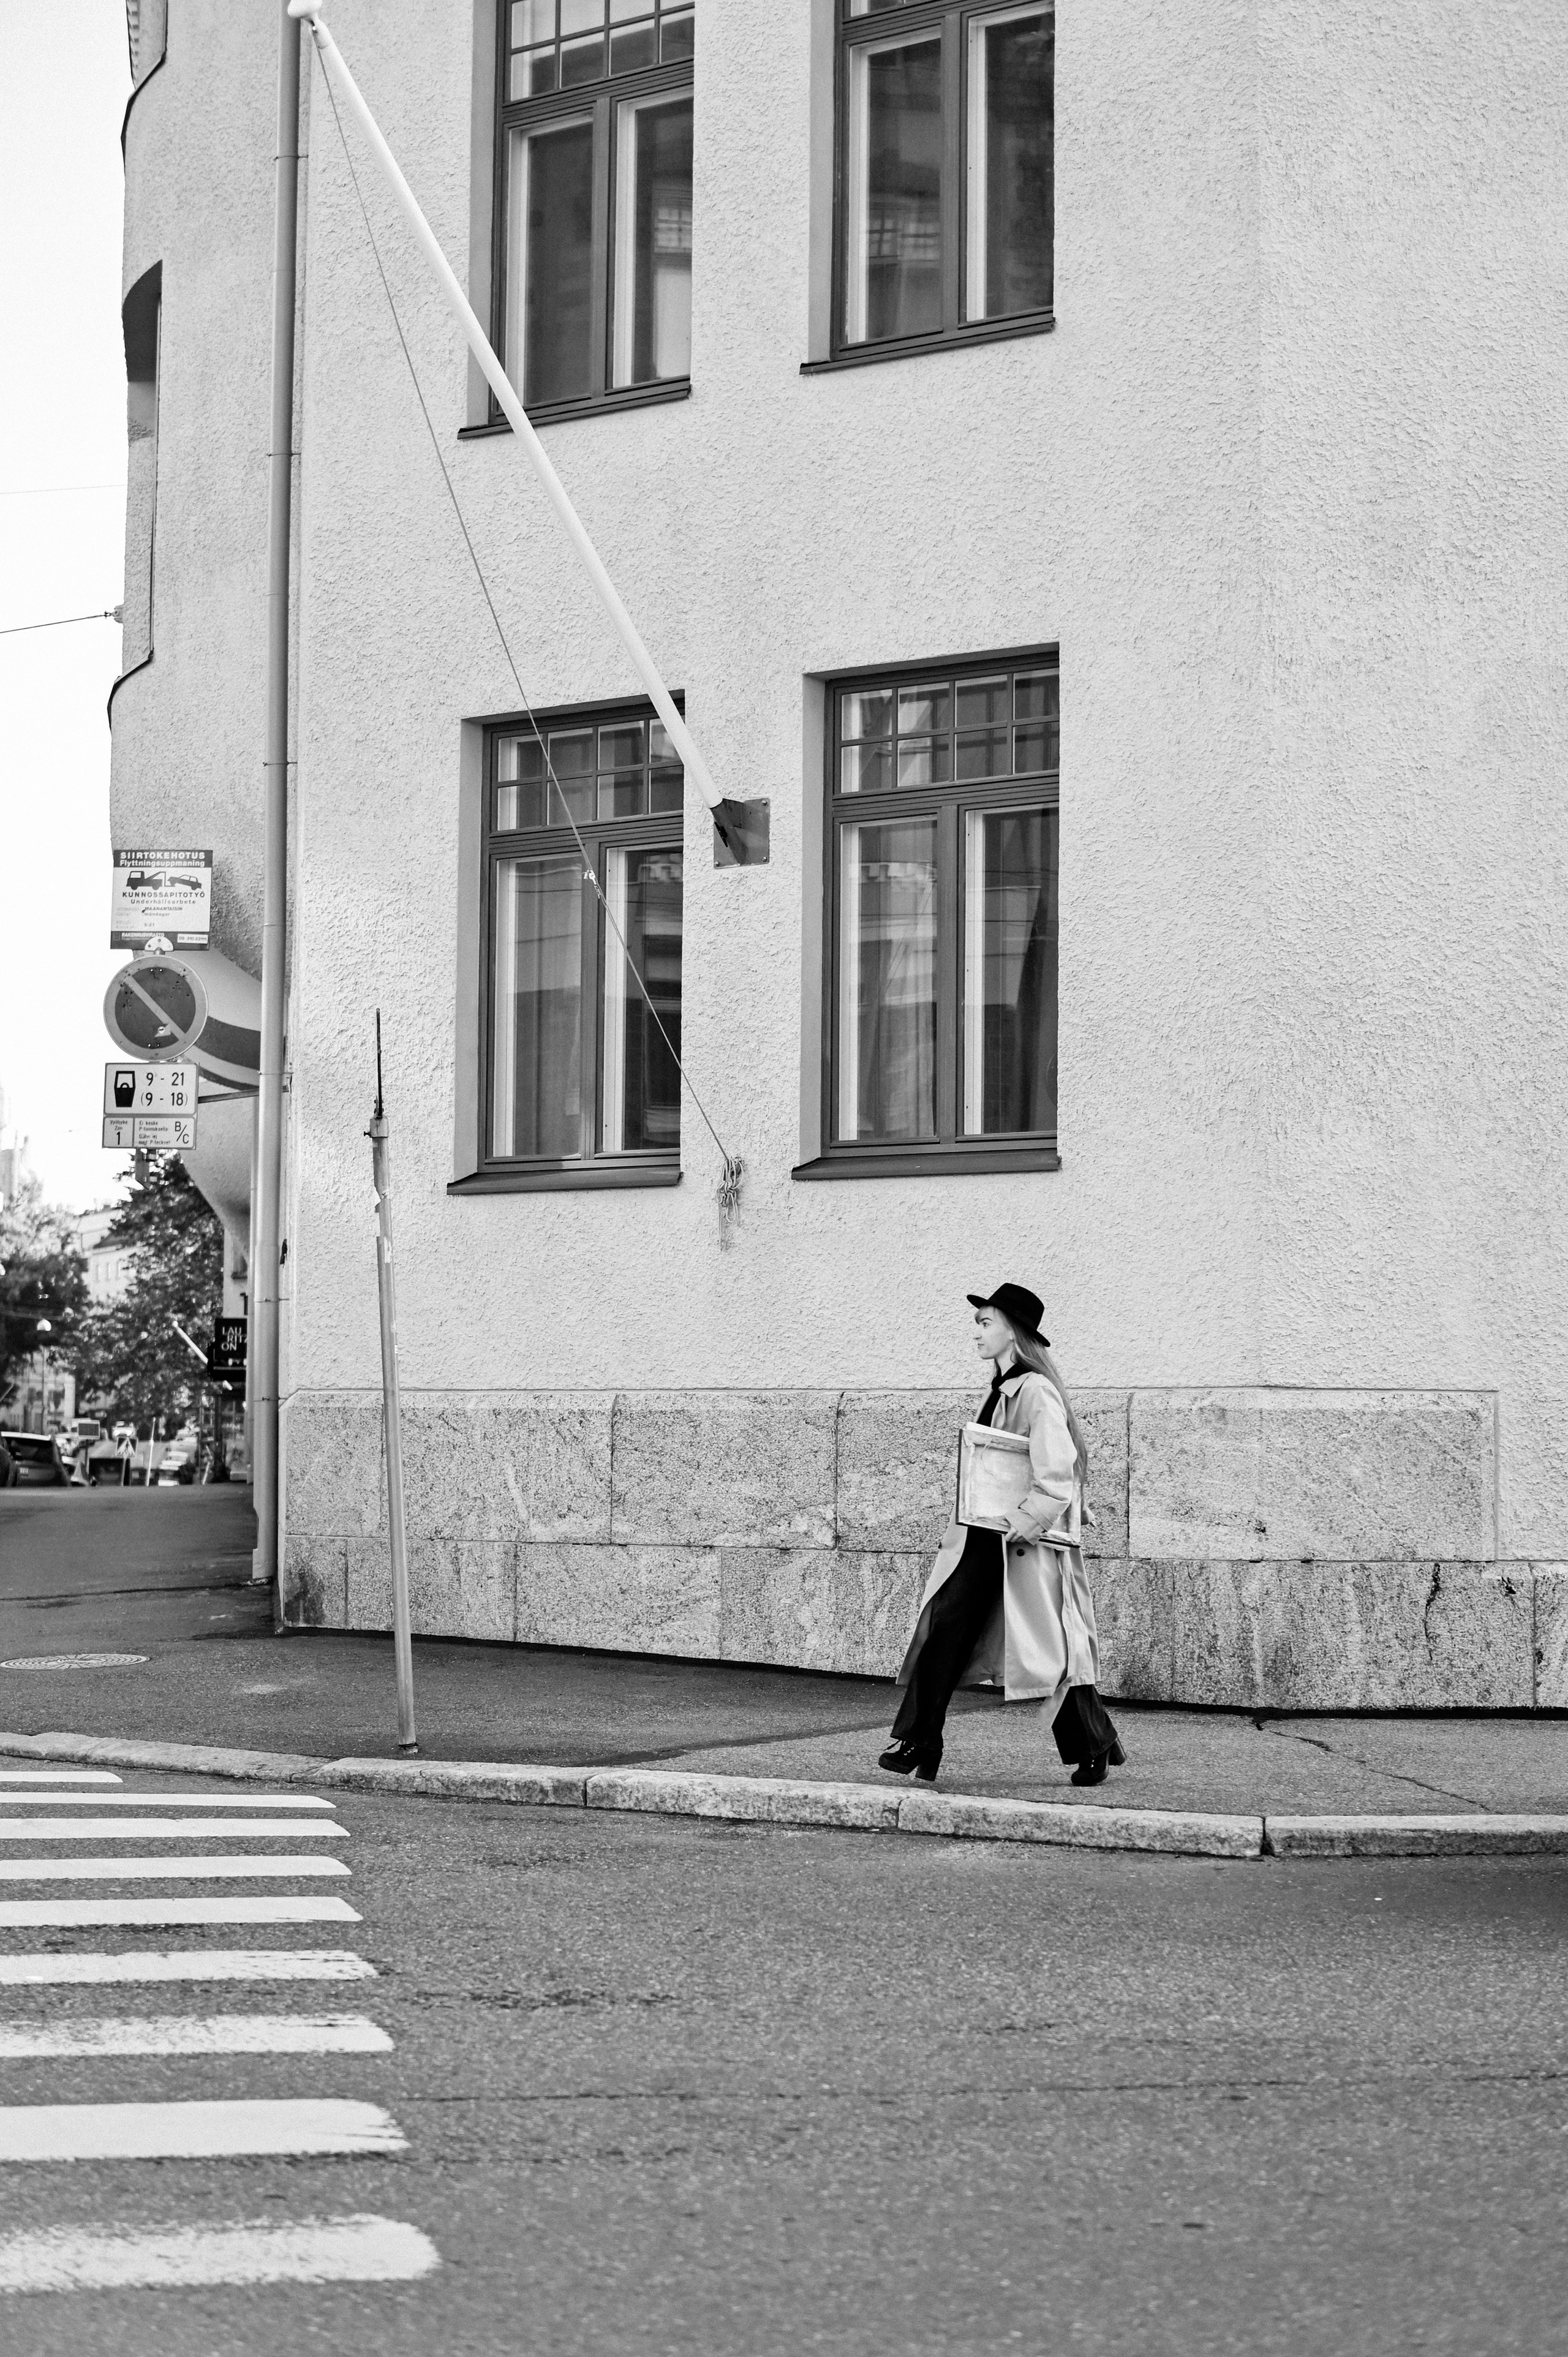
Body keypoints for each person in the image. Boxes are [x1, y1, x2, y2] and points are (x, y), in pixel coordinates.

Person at [880, 1283, 1126, 1789]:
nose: (977, 1332)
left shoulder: (1035, 1390)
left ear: (1012, 1330)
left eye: (986, 1323)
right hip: (984, 1537)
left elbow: (1057, 1473)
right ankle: (920, 1741)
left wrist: (1028, 1519)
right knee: (944, 1629)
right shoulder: (1004, 1387)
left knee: (1051, 1650)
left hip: (1019, 1543)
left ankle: (1094, 1742)